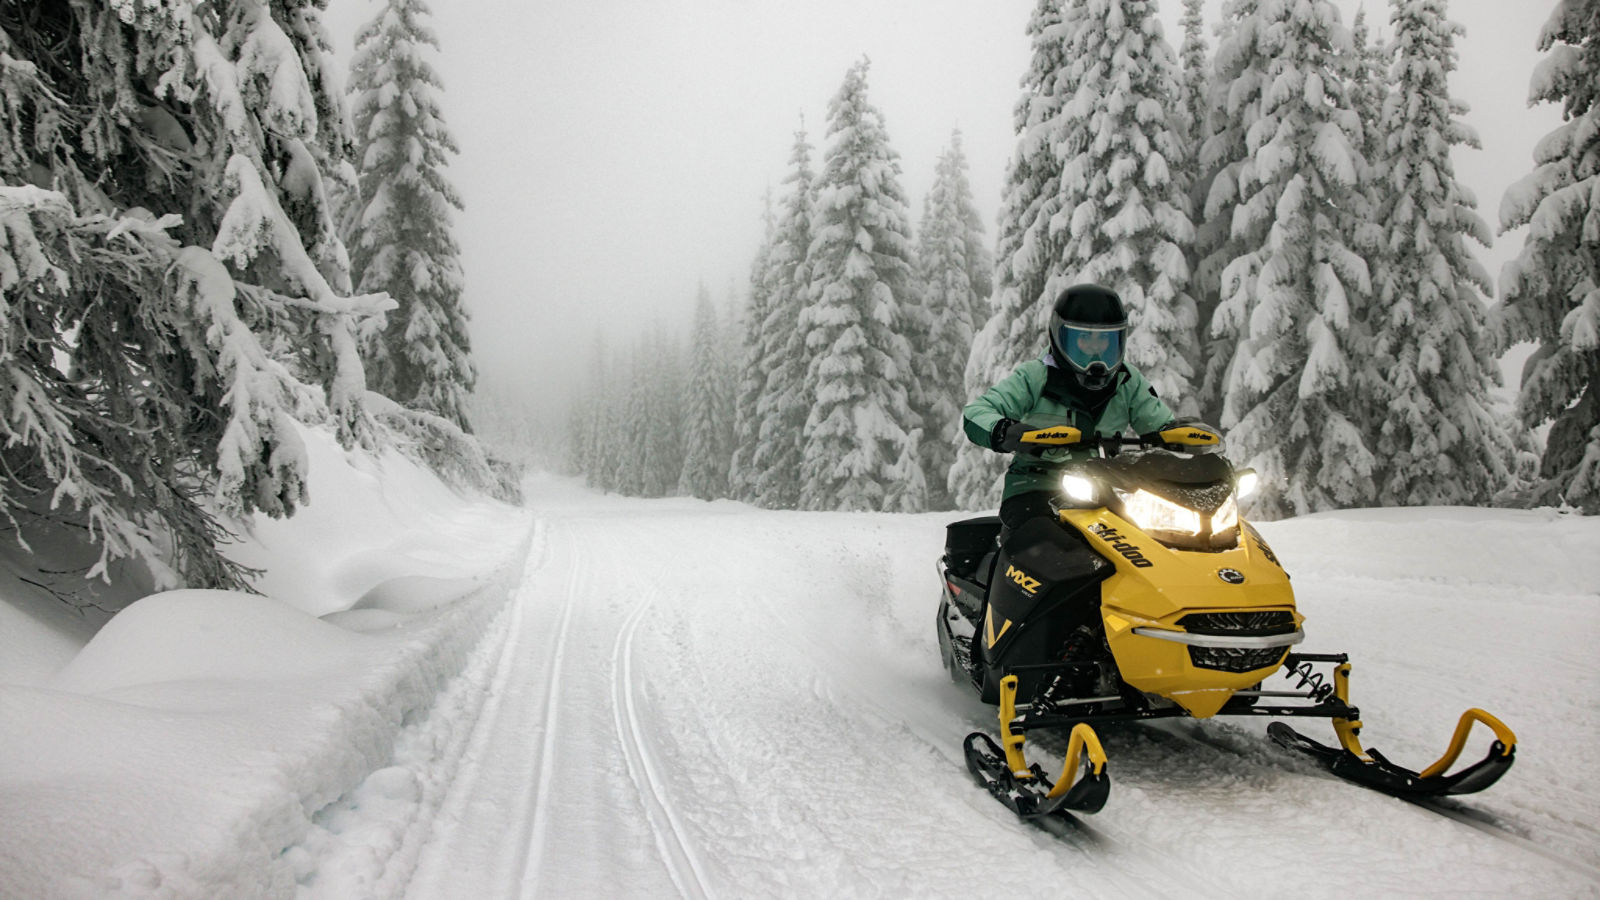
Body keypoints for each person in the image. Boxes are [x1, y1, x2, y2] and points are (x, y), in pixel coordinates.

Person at [962, 283, 1175, 534]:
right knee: (1044, 542)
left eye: (1104, 339)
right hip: (1037, 483)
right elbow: (976, 413)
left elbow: (1160, 423)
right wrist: (1007, 431)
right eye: (1084, 338)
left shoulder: (1127, 380)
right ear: (1060, 337)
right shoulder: (1036, 375)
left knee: (1160, 537)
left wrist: (1179, 435)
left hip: (1110, 487)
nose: (1096, 349)